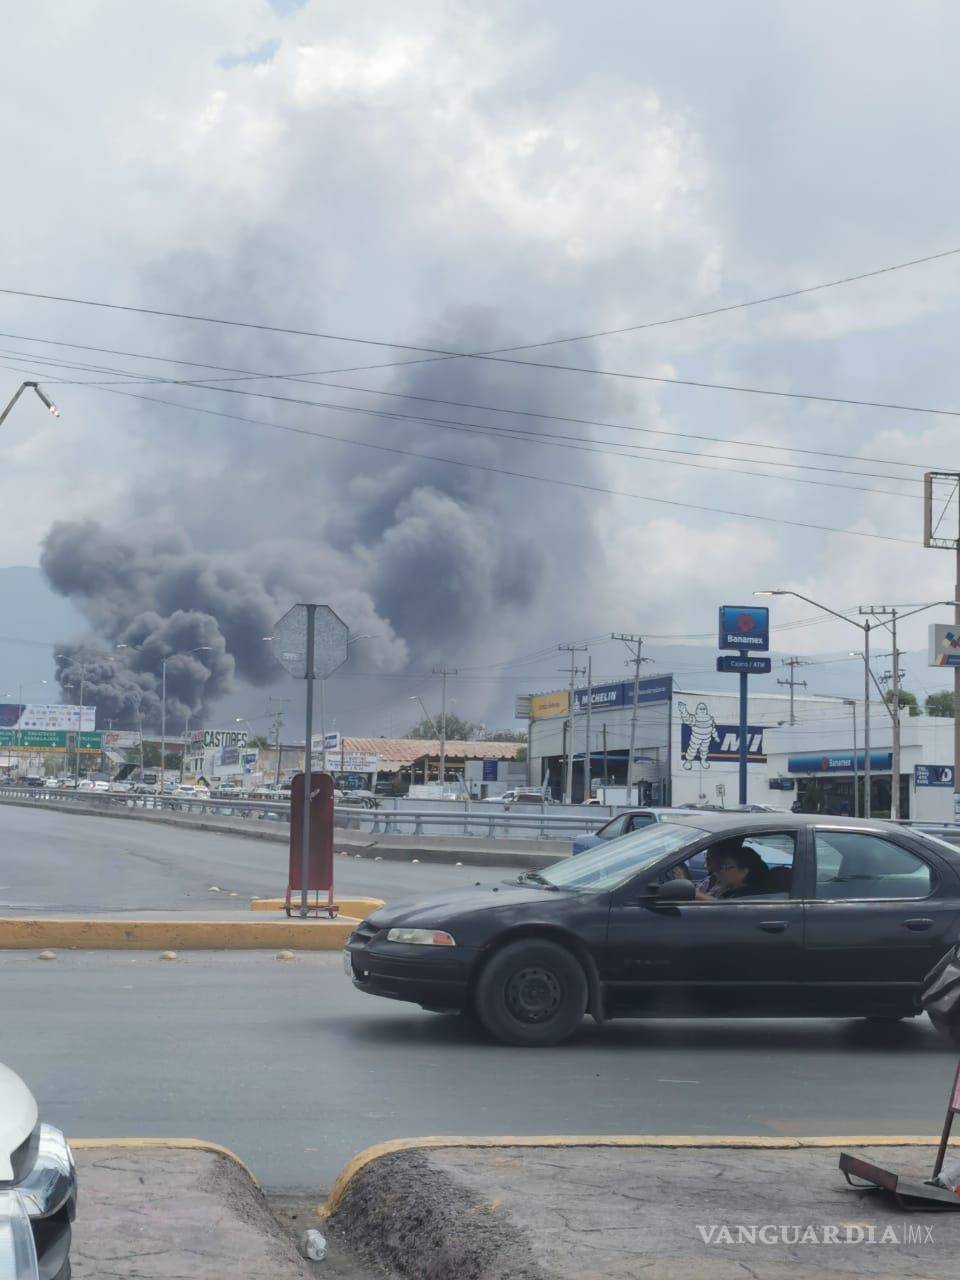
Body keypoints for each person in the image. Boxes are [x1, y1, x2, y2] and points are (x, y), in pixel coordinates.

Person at [694, 841, 768, 901]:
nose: (722, 871)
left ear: (744, 871)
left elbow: (720, 906)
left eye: (726, 867)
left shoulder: (748, 895)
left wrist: (692, 893)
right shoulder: (730, 890)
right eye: (722, 867)